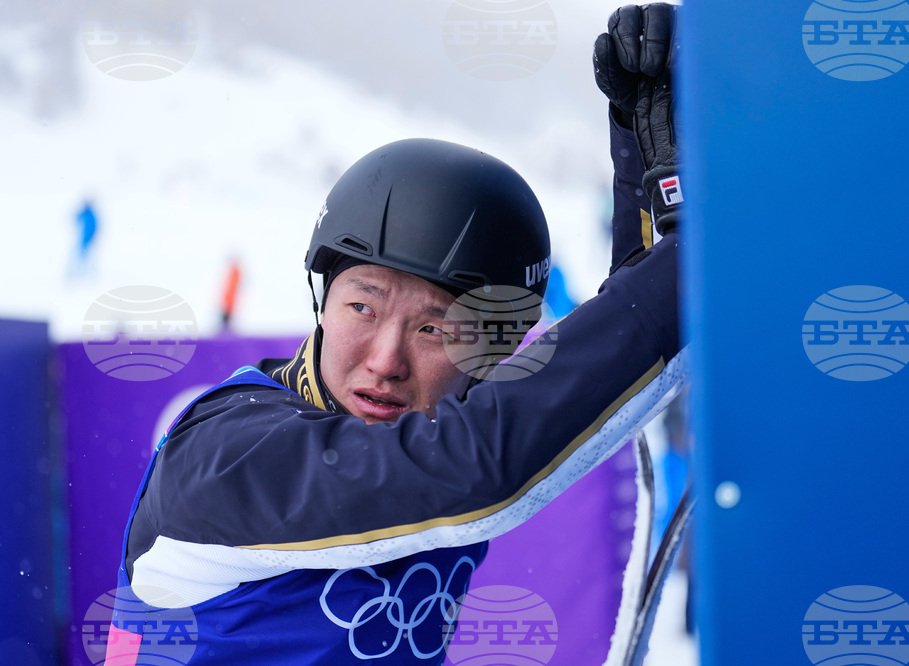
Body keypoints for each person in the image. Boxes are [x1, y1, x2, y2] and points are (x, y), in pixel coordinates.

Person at [106, 4, 684, 663]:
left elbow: (612, 360)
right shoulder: (223, 456)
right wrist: (696, 259)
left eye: (435, 328)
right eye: (363, 308)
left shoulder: (436, 430)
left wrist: (649, 160)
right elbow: (482, 467)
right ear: (321, 301)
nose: (385, 361)